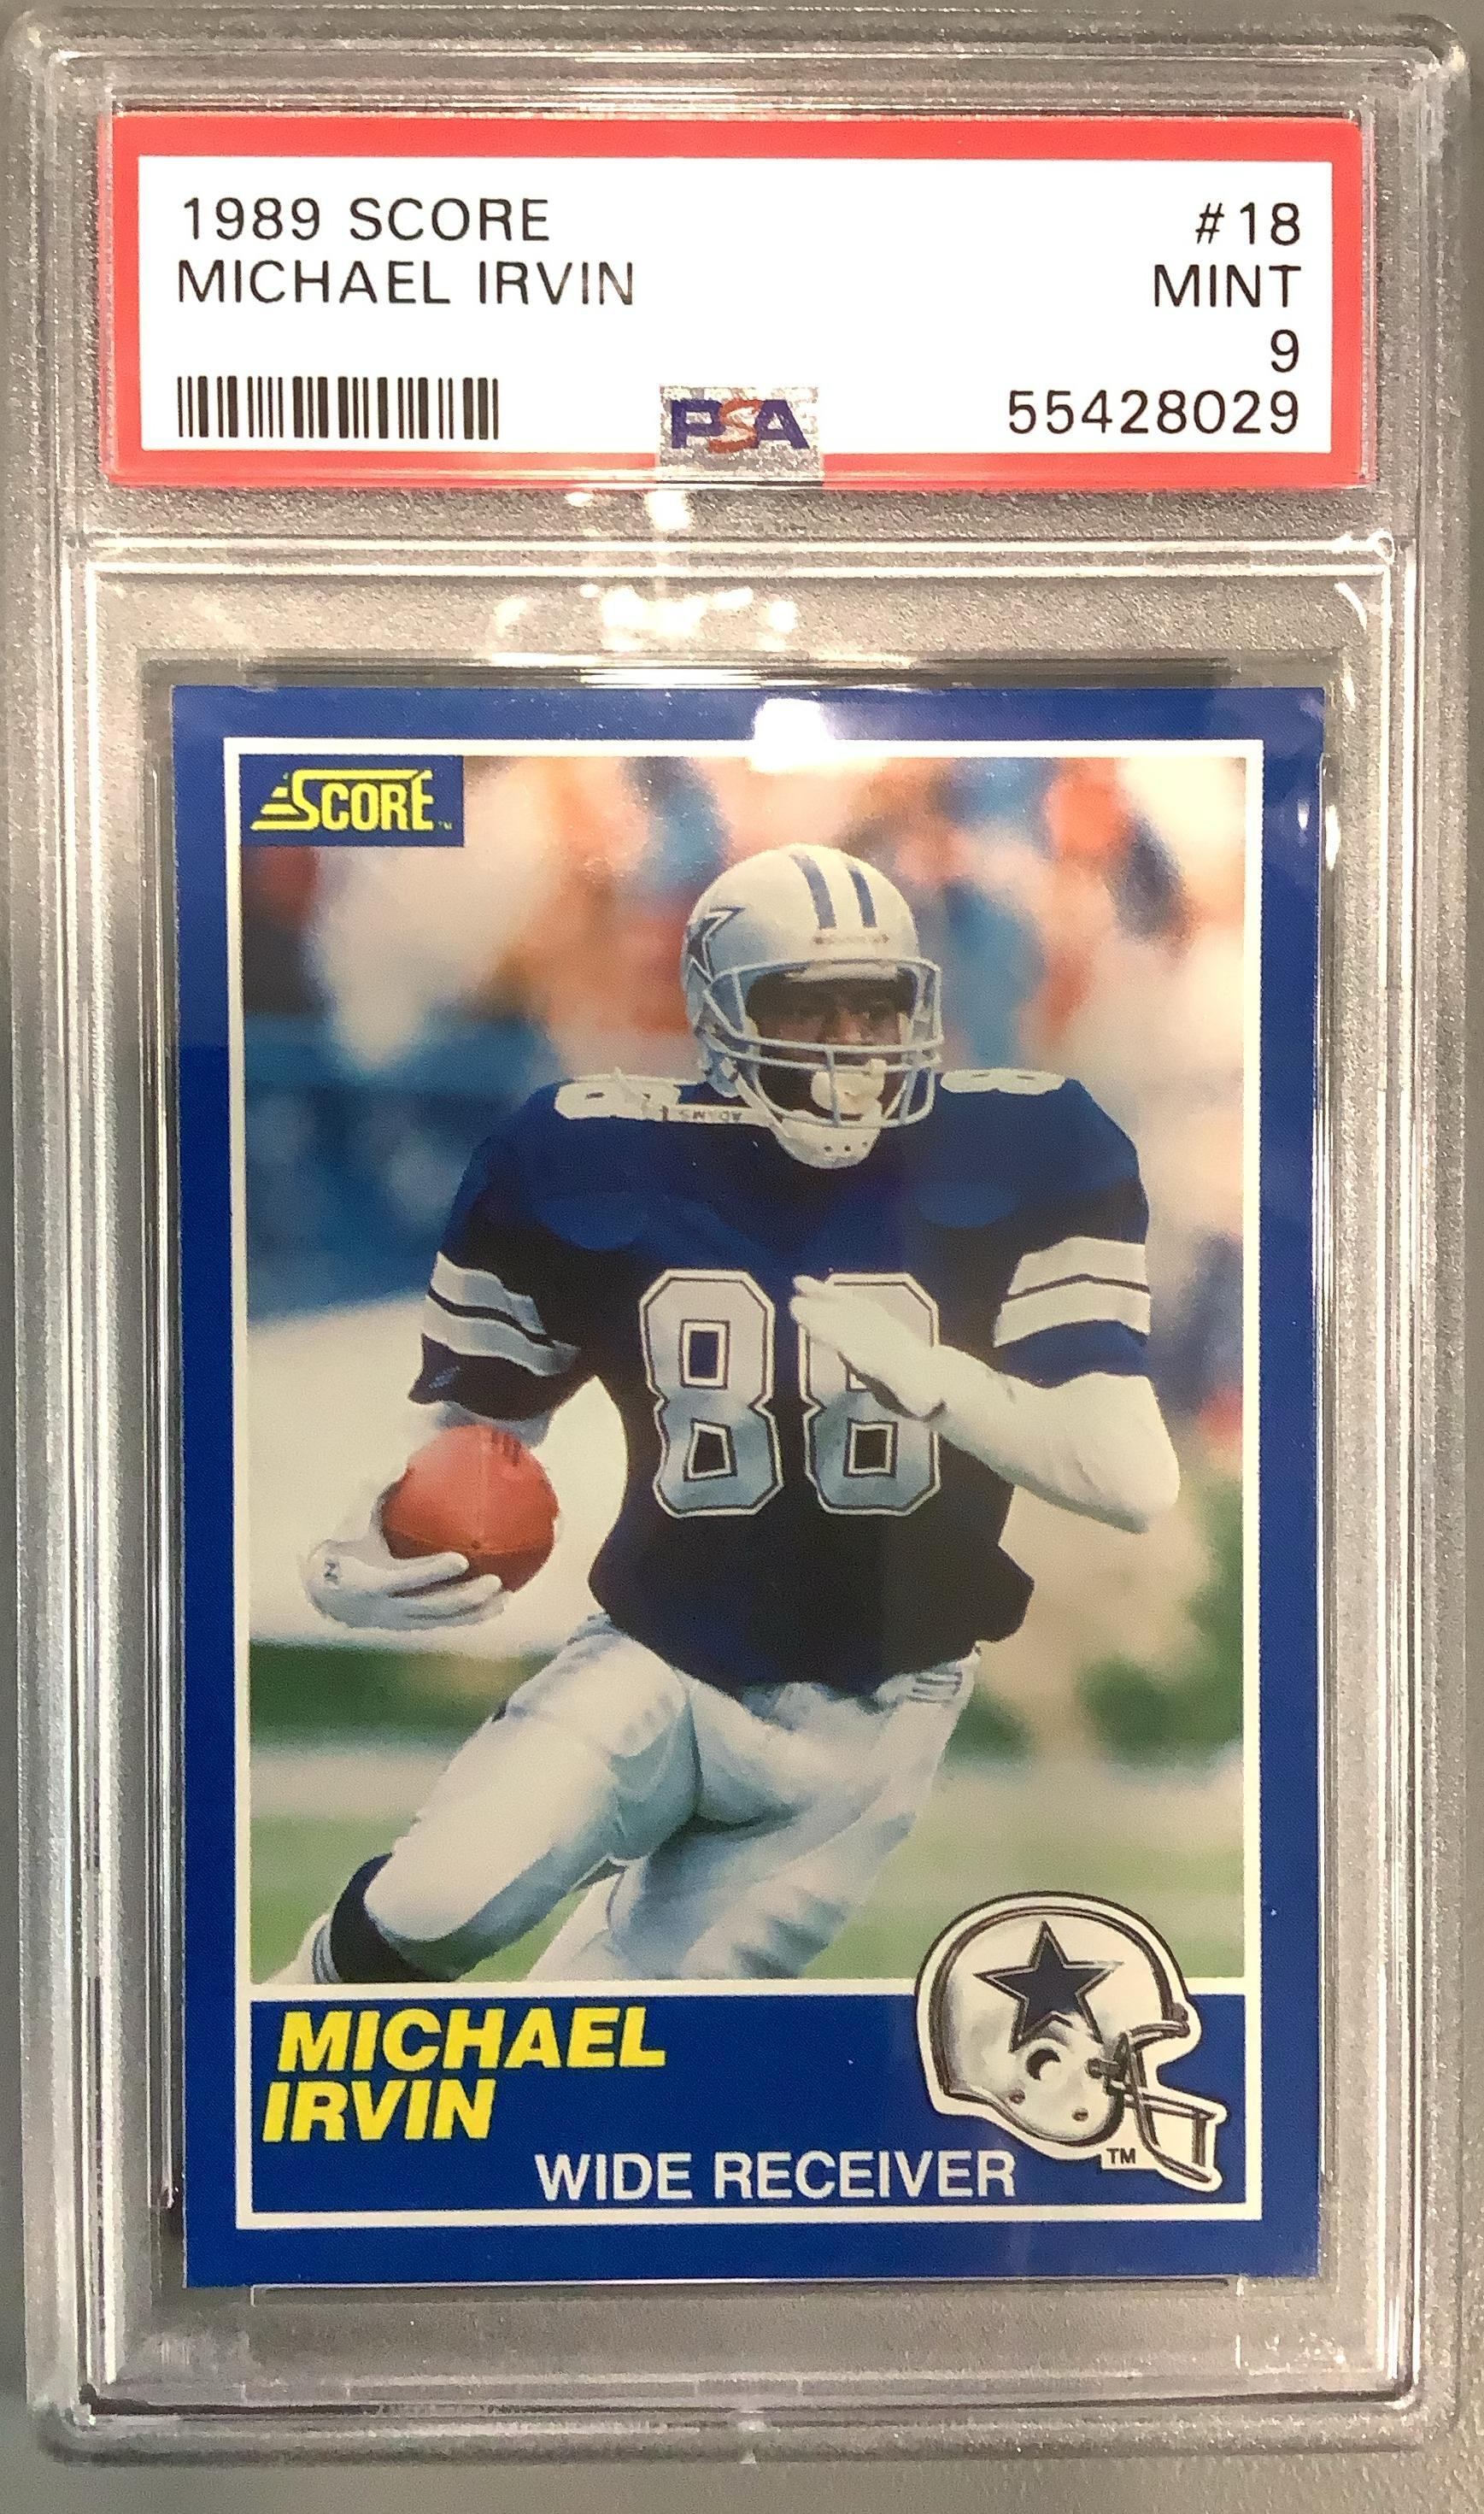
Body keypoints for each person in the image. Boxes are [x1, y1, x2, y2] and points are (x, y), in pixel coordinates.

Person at [279, 843, 1178, 1985]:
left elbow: (1130, 1478)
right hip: (656, 1652)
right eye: (808, 1008)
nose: (851, 1044)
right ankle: (272, 2050)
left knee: (615, 2030)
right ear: (720, 1014)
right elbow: (476, 1436)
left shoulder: (1029, 1153)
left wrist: (937, 1378)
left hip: (873, 1720)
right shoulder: (588, 1155)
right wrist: (361, 1546)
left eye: (876, 1005)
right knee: (436, 1902)